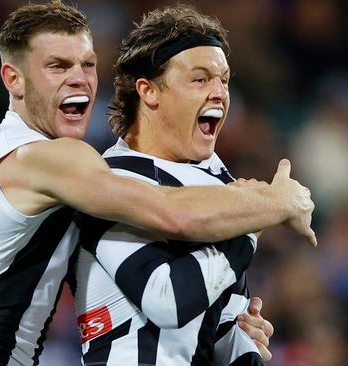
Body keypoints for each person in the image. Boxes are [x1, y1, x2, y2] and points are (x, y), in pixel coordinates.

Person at [0, 1, 315, 365]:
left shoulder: (19, 155)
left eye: (87, 64)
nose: (79, 79)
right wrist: (270, 204)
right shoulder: (44, 158)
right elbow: (170, 213)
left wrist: (228, 328)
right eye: (57, 66)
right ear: (13, 79)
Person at [73, 5, 292, 365]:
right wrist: (254, 218)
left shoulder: (219, 191)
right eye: (200, 79)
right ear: (149, 91)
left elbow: (220, 335)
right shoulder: (106, 183)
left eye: (224, 80)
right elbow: (167, 300)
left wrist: (243, 340)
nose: (220, 92)